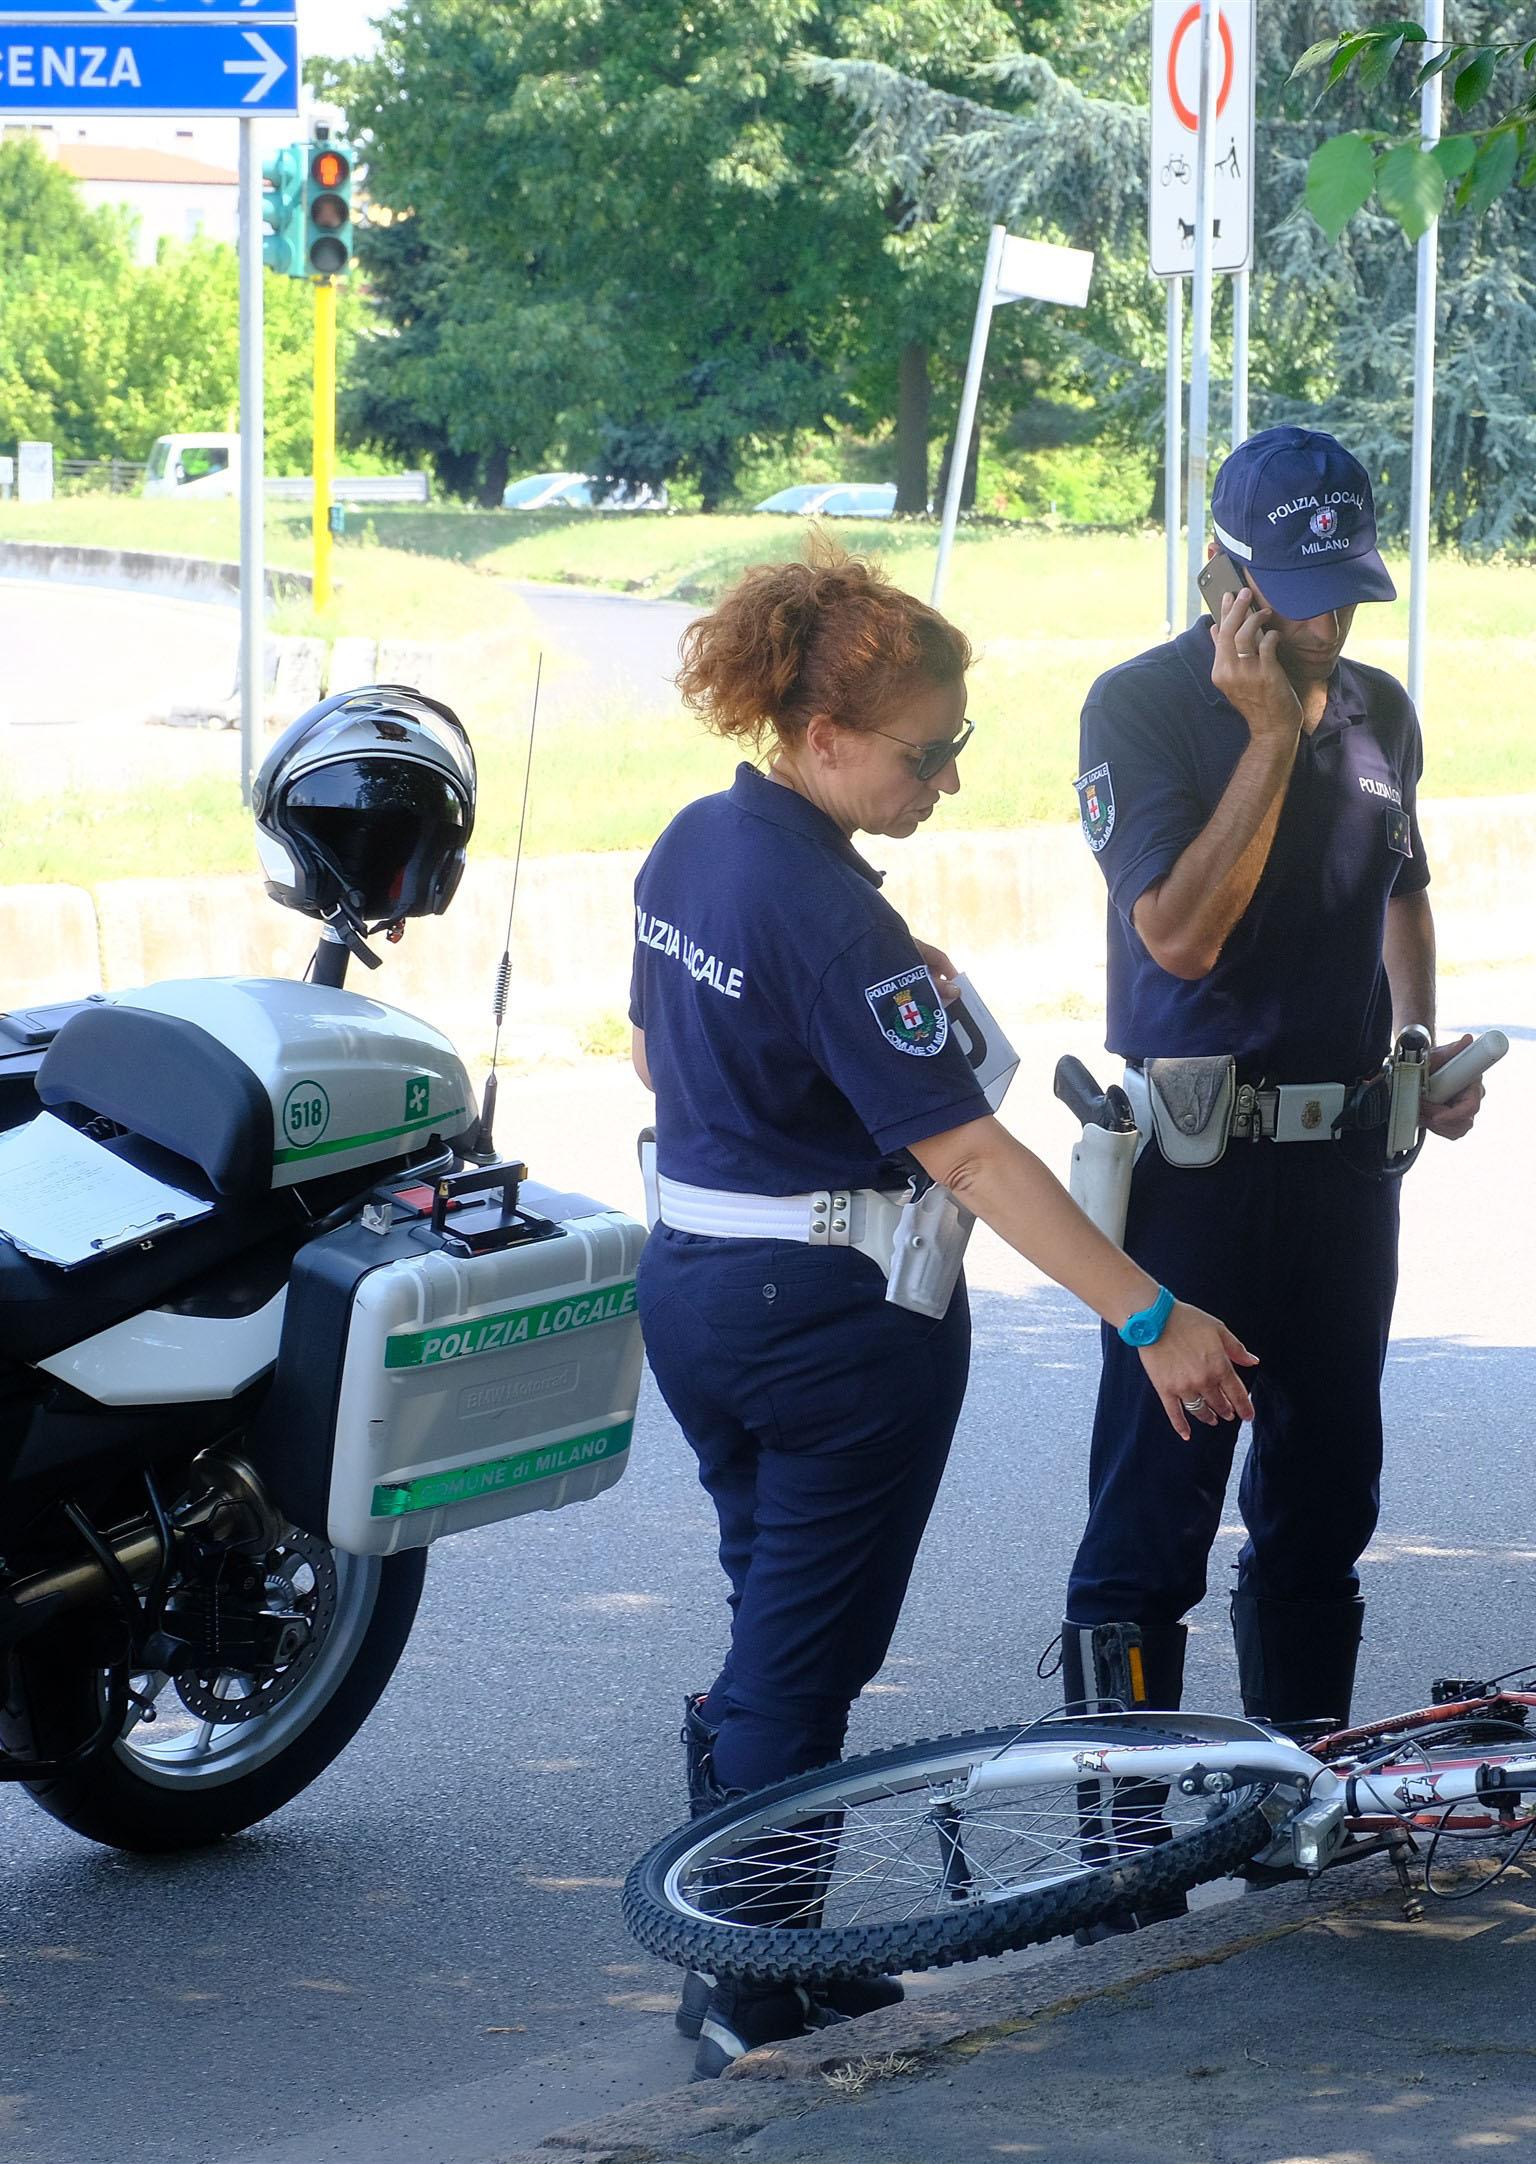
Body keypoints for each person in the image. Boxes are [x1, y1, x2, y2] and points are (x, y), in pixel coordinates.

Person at [630, 542, 1257, 2076]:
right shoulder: (834, 921)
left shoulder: (694, 849)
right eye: (928, 752)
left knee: (770, 1613)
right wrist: (1150, 1316)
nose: (949, 782)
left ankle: (780, 1940)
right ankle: (744, 1967)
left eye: (958, 745)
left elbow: (659, 1063)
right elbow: (971, 1150)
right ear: (822, 737)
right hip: (832, 1322)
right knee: (802, 1657)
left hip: (699, 1288)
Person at [1061, 425, 1485, 1747]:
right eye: (1296, 597)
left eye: (1346, 589)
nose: (1324, 623)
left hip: (1347, 1169)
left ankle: (1294, 1787)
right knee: (1155, 1513)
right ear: (1220, 577)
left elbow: (1404, 891)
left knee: (1324, 1497)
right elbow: (1177, 934)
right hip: (1196, 1173)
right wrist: (1263, 738)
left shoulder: (1382, 711)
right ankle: (1126, 1839)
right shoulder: (1139, 706)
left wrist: (1421, 1042)